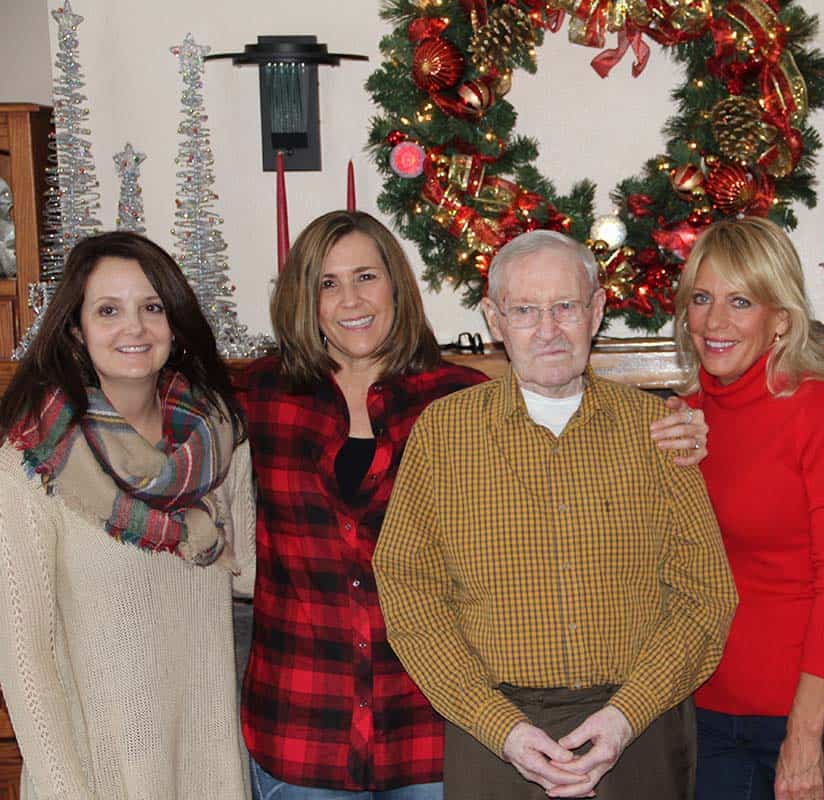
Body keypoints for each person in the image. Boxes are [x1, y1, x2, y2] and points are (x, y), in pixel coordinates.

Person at [239, 213, 709, 800]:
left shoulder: (452, 399)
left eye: (366, 276)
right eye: (327, 283)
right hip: (304, 723)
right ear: (496, 320)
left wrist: (689, 426)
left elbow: (692, 582)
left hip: (425, 735)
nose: (350, 299)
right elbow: (168, 413)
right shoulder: (260, 396)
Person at [372, 229, 738, 800]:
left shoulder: (661, 431)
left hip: (638, 724)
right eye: (525, 311)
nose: (548, 330)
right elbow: (409, 592)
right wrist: (502, 727)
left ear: (595, 311)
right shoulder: (444, 434)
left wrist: (626, 714)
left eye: (565, 307)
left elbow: (705, 594)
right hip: (493, 731)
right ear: (494, 319)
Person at [0, 231, 255, 800]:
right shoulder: (33, 462)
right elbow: (24, 659)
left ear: (174, 323)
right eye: (108, 310)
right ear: (76, 329)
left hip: (211, 771)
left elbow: (255, 571)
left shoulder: (218, 441)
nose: (133, 328)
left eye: (151, 307)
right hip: (97, 779)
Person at [672, 217, 824, 800]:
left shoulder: (817, 412)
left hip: (807, 716)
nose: (715, 321)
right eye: (702, 298)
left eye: (740, 301)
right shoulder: (678, 422)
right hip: (702, 715)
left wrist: (804, 736)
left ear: (780, 318)